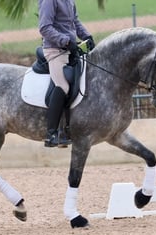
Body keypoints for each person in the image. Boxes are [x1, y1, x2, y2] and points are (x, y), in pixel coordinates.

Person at [38, 0, 95, 147]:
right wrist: (65, 41)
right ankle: (51, 134)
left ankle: (69, 127)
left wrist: (87, 36)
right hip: (55, 50)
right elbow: (45, 27)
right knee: (63, 86)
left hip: (70, 50)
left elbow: (74, 22)